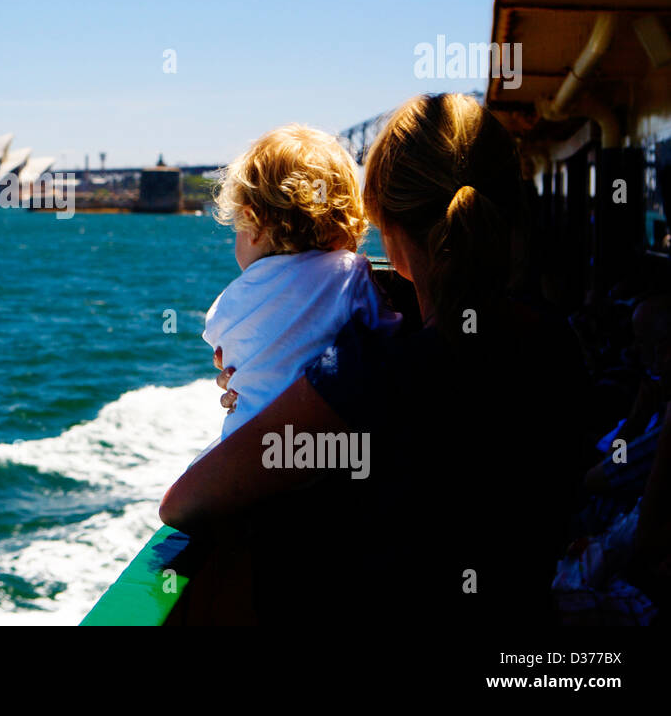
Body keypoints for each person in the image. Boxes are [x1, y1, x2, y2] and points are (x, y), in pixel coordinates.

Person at [160, 93, 589, 624]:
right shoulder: (557, 347)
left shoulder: (372, 374)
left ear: (381, 215)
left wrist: (268, 382)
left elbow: (182, 504)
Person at [196, 125, 397, 460]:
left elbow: (223, 354)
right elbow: (390, 334)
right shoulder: (353, 275)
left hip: (244, 448)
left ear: (254, 225)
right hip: (326, 450)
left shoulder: (226, 304)